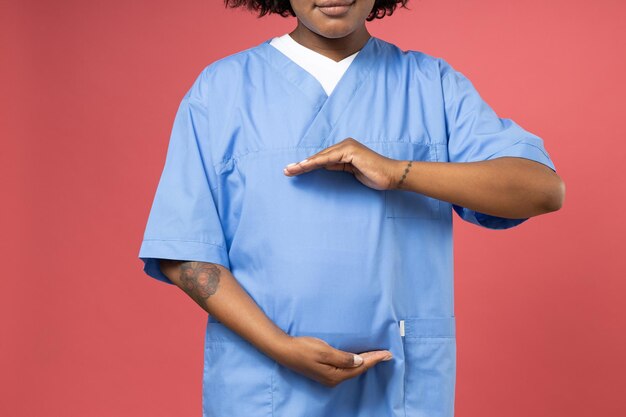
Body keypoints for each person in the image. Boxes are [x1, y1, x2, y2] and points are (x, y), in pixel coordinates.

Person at [138, 1, 566, 416]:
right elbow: (184, 249)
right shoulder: (222, 89)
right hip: (263, 383)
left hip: (398, 381)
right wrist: (280, 348)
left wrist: (396, 171)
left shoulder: (430, 84)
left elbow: (542, 189)